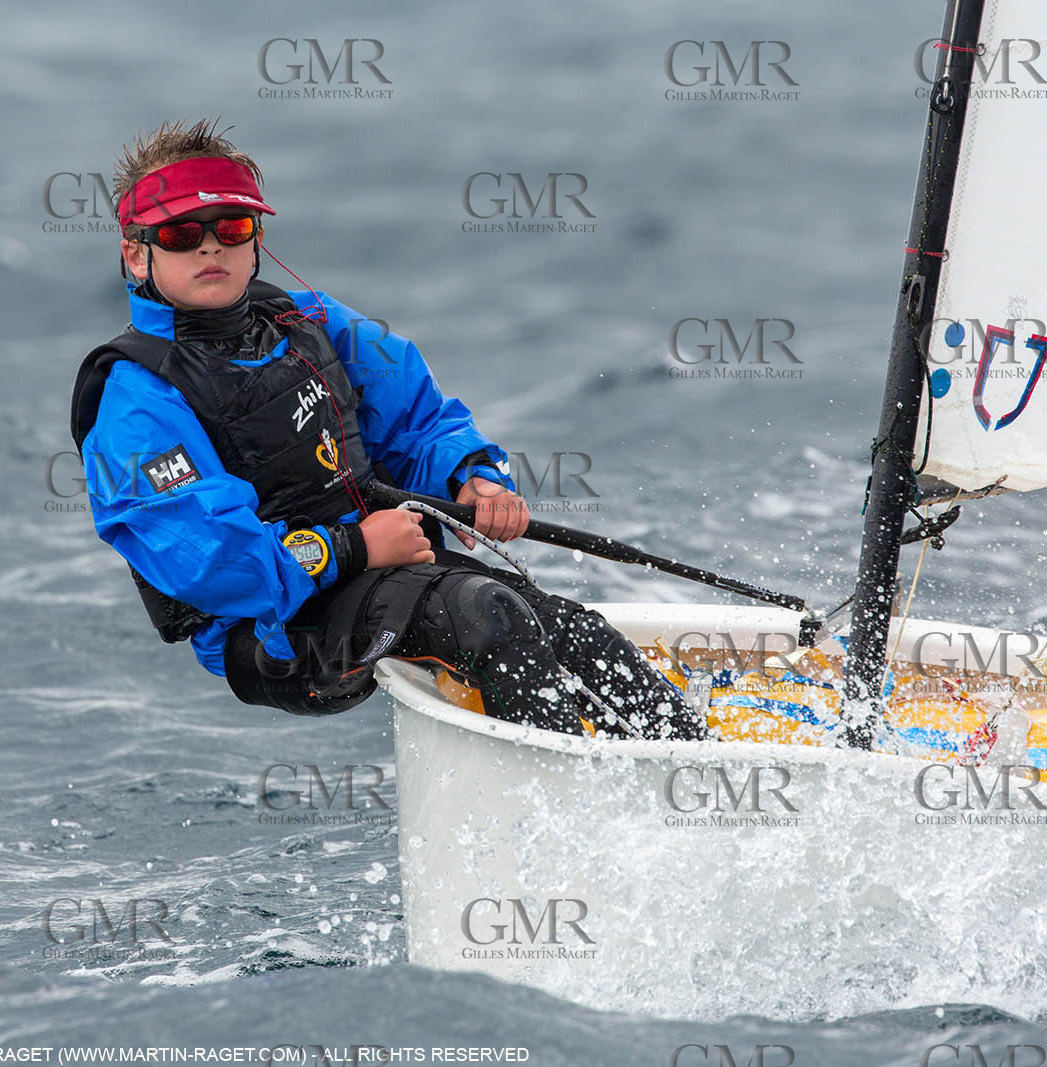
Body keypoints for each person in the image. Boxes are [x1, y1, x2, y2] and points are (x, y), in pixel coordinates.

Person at [68, 119, 706, 741]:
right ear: (136, 253)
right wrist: (354, 548)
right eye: (181, 233)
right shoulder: (135, 403)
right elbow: (213, 563)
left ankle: (695, 761)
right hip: (273, 628)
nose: (211, 247)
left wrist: (472, 477)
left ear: (255, 239)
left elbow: (419, 421)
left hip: (385, 565)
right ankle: (567, 793)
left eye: (231, 227)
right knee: (489, 617)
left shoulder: (309, 320)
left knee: (576, 633)